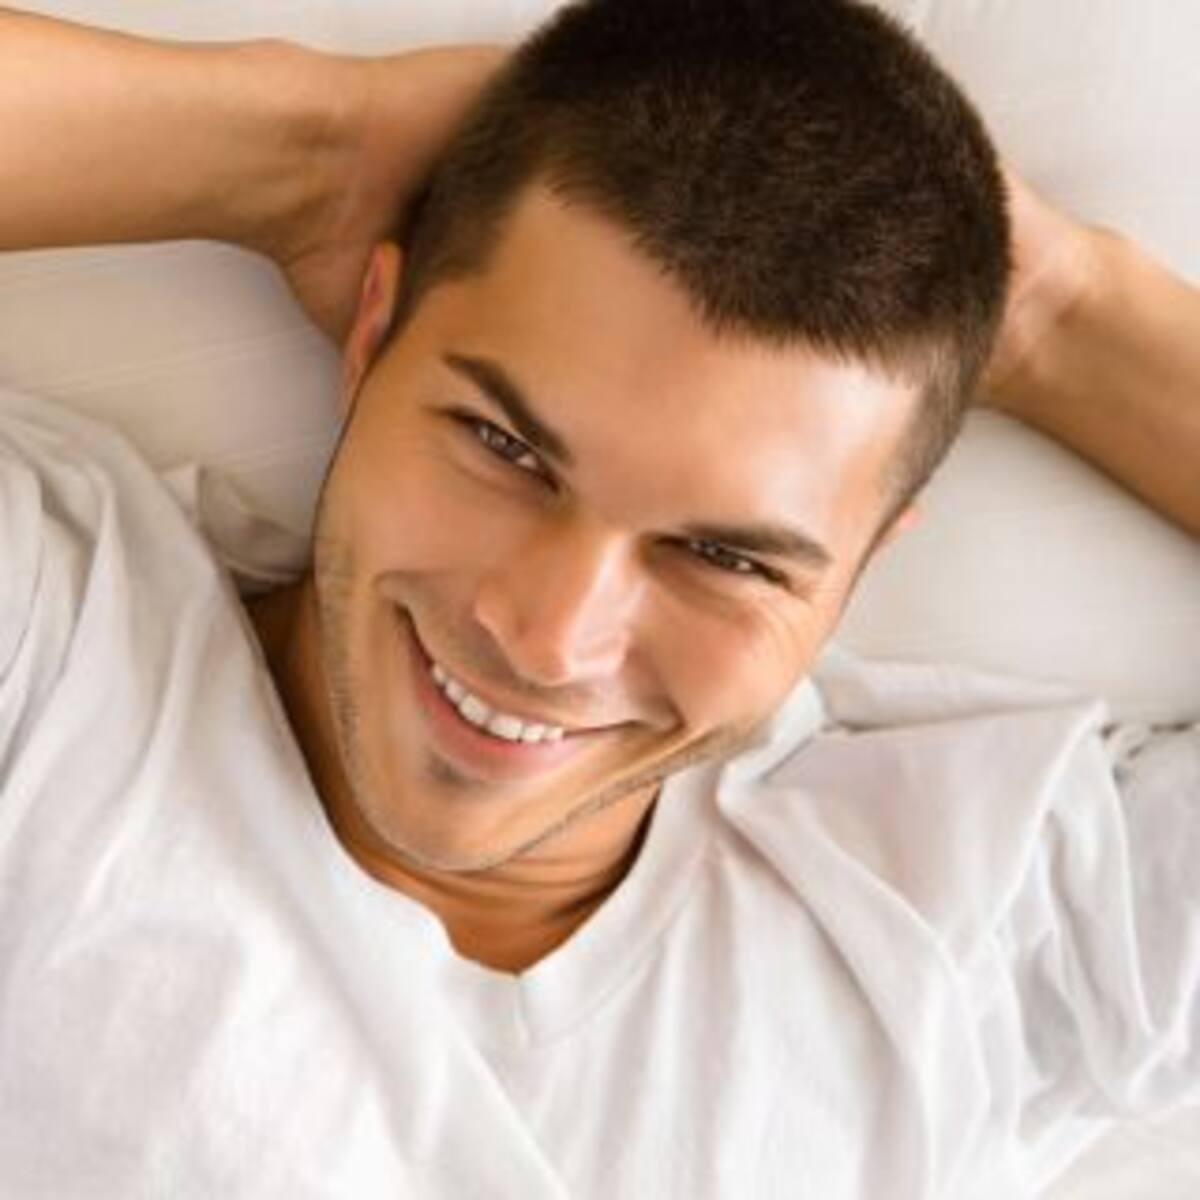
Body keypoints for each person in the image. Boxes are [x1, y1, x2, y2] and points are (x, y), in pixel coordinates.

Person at [0, 2, 1196, 1197]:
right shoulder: (62, 662)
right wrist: (310, 159)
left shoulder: (963, 916)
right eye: (504, 447)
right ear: (372, 335)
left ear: (863, 564)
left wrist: (1057, 316)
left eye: (725, 557)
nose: (548, 639)